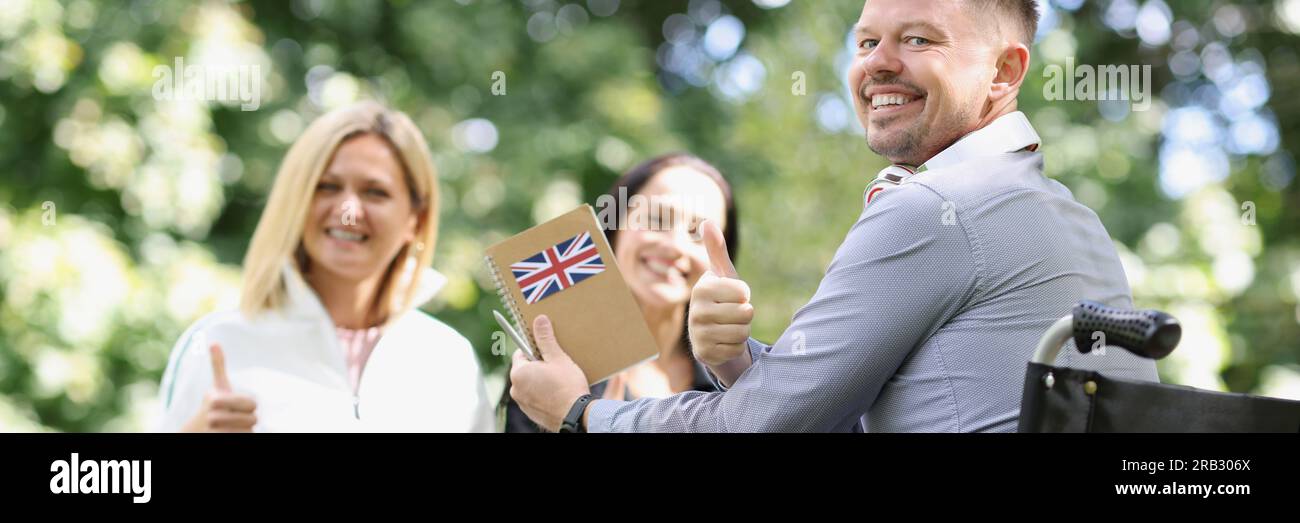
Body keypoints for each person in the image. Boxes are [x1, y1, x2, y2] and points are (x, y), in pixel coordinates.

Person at [508, 0, 1158, 433]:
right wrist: (737, 359)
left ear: (1002, 72)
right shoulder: (1073, 218)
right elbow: (824, 408)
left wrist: (579, 411)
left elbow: (764, 425)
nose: (877, 62)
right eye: (867, 40)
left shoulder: (934, 207)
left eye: (918, 39)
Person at [158, 101, 492, 432]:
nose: (348, 211)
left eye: (375, 192)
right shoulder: (219, 341)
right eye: (326, 187)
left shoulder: (451, 360)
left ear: (414, 220)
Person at [504, 153, 739, 431]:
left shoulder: (740, 379)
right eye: (656, 219)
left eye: (699, 233)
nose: (675, 245)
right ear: (616, 229)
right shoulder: (552, 371)